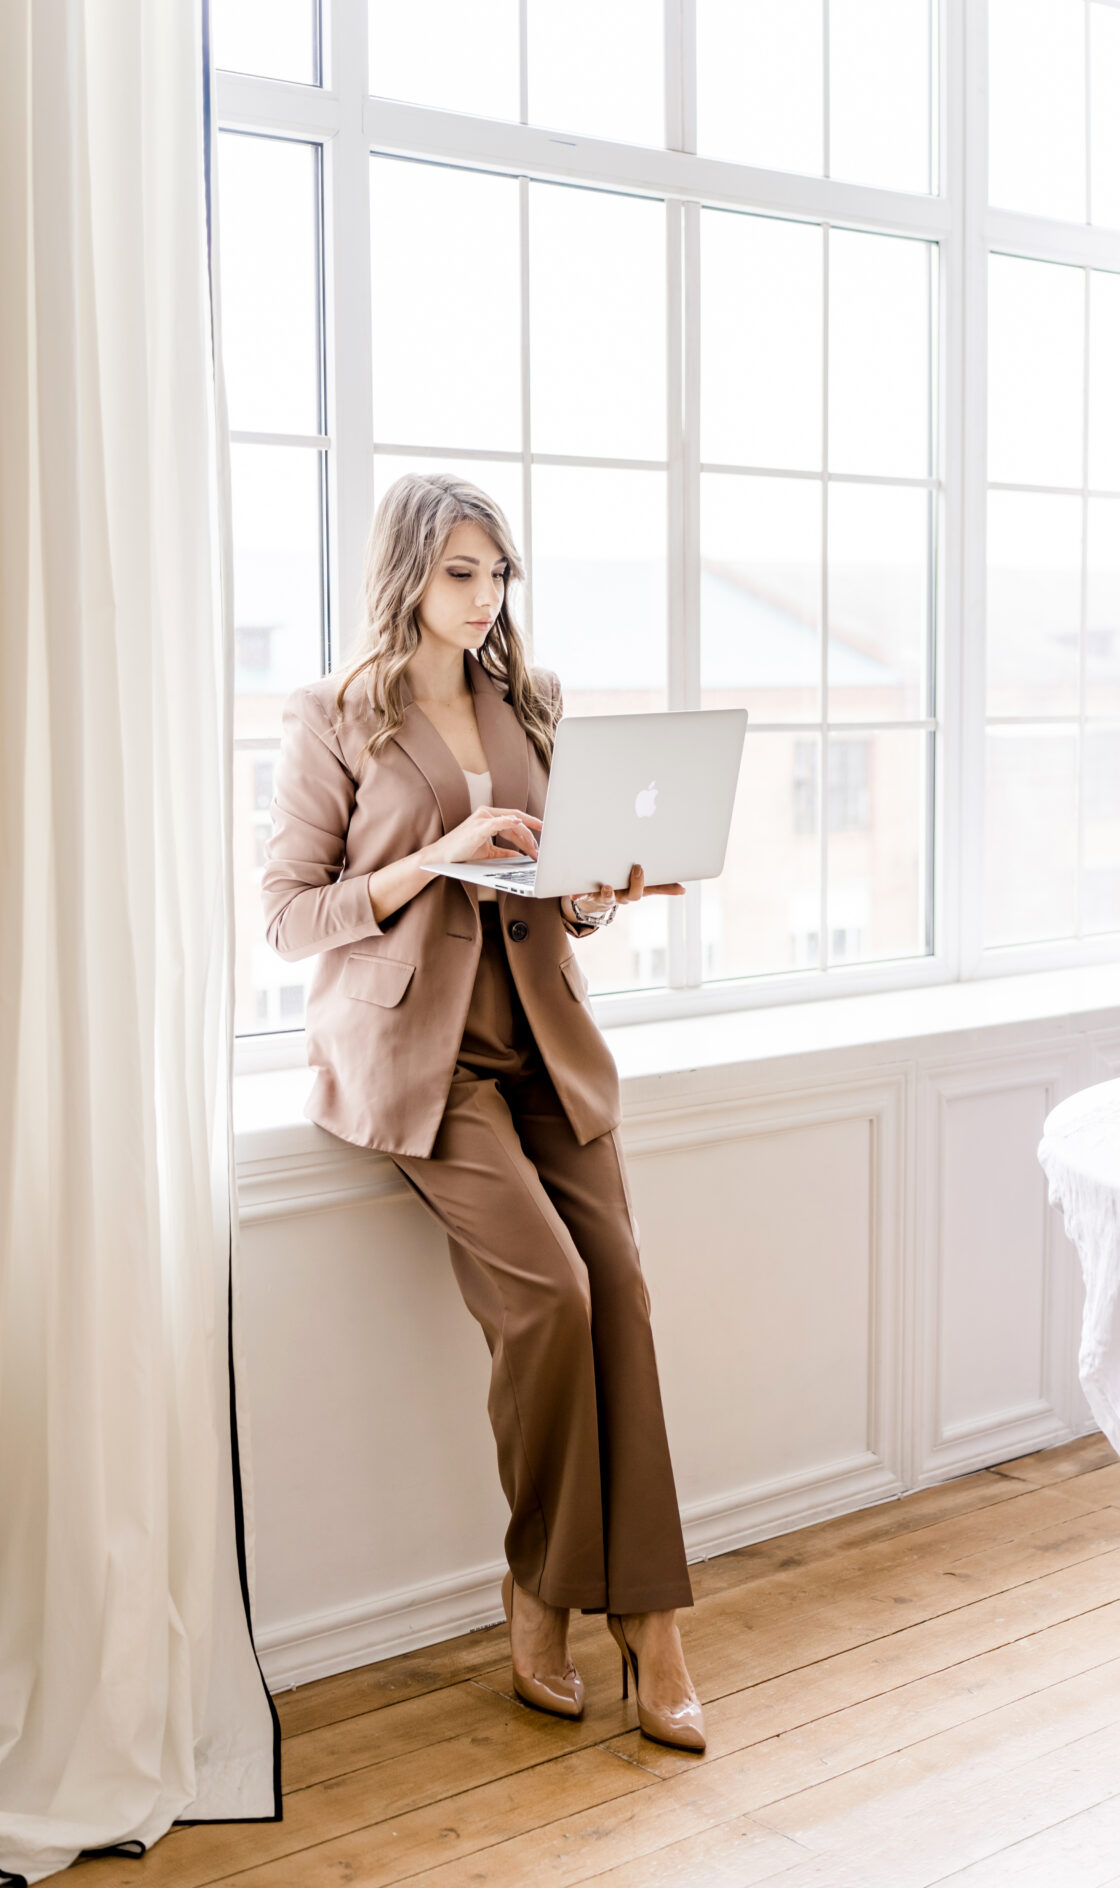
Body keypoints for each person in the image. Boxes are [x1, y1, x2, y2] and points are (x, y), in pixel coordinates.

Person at [260, 471, 705, 1752]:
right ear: (408, 572)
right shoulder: (335, 717)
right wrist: (428, 861)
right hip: (423, 1063)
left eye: (498, 574)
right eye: (461, 573)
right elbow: (290, 916)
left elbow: (553, 881)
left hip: (542, 1043)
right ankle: (546, 1591)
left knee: (617, 1288)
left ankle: (653, 1623)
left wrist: (600, 891)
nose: (484, 597)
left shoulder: (533, 701)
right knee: (552, 1298)